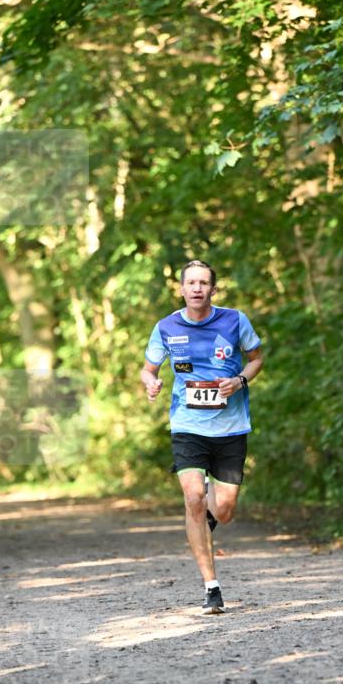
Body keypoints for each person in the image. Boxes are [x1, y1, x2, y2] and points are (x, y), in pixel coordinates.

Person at [140, 260, 263, 613]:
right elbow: (148, 370)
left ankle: (202, 519)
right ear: (181, 289)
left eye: (203, 283)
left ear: (213, 289)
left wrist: (240, 380)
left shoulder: (234, 321)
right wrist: (152, 383)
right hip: (187, 426)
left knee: (222, 511)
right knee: (194, 497)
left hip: (230, 428)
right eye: (191, 282)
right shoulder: (166, 327)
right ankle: (212, 588)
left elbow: (256, 359)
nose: (197, 288)